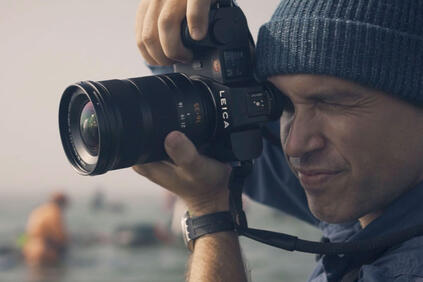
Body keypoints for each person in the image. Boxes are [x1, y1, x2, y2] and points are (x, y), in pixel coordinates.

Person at [133, 0, 423, 281]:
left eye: (330, 103)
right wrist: (184, 29)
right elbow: (229, 122)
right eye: (282, 103)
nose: (295, 144)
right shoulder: (364, 204)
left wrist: (209, 211)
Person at [23, 192, 69, 266]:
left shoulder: (39, 210)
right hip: (43, 250)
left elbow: (26, 233)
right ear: (63, 202)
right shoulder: (55, 212)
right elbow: (60, 236)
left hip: (28, 247)